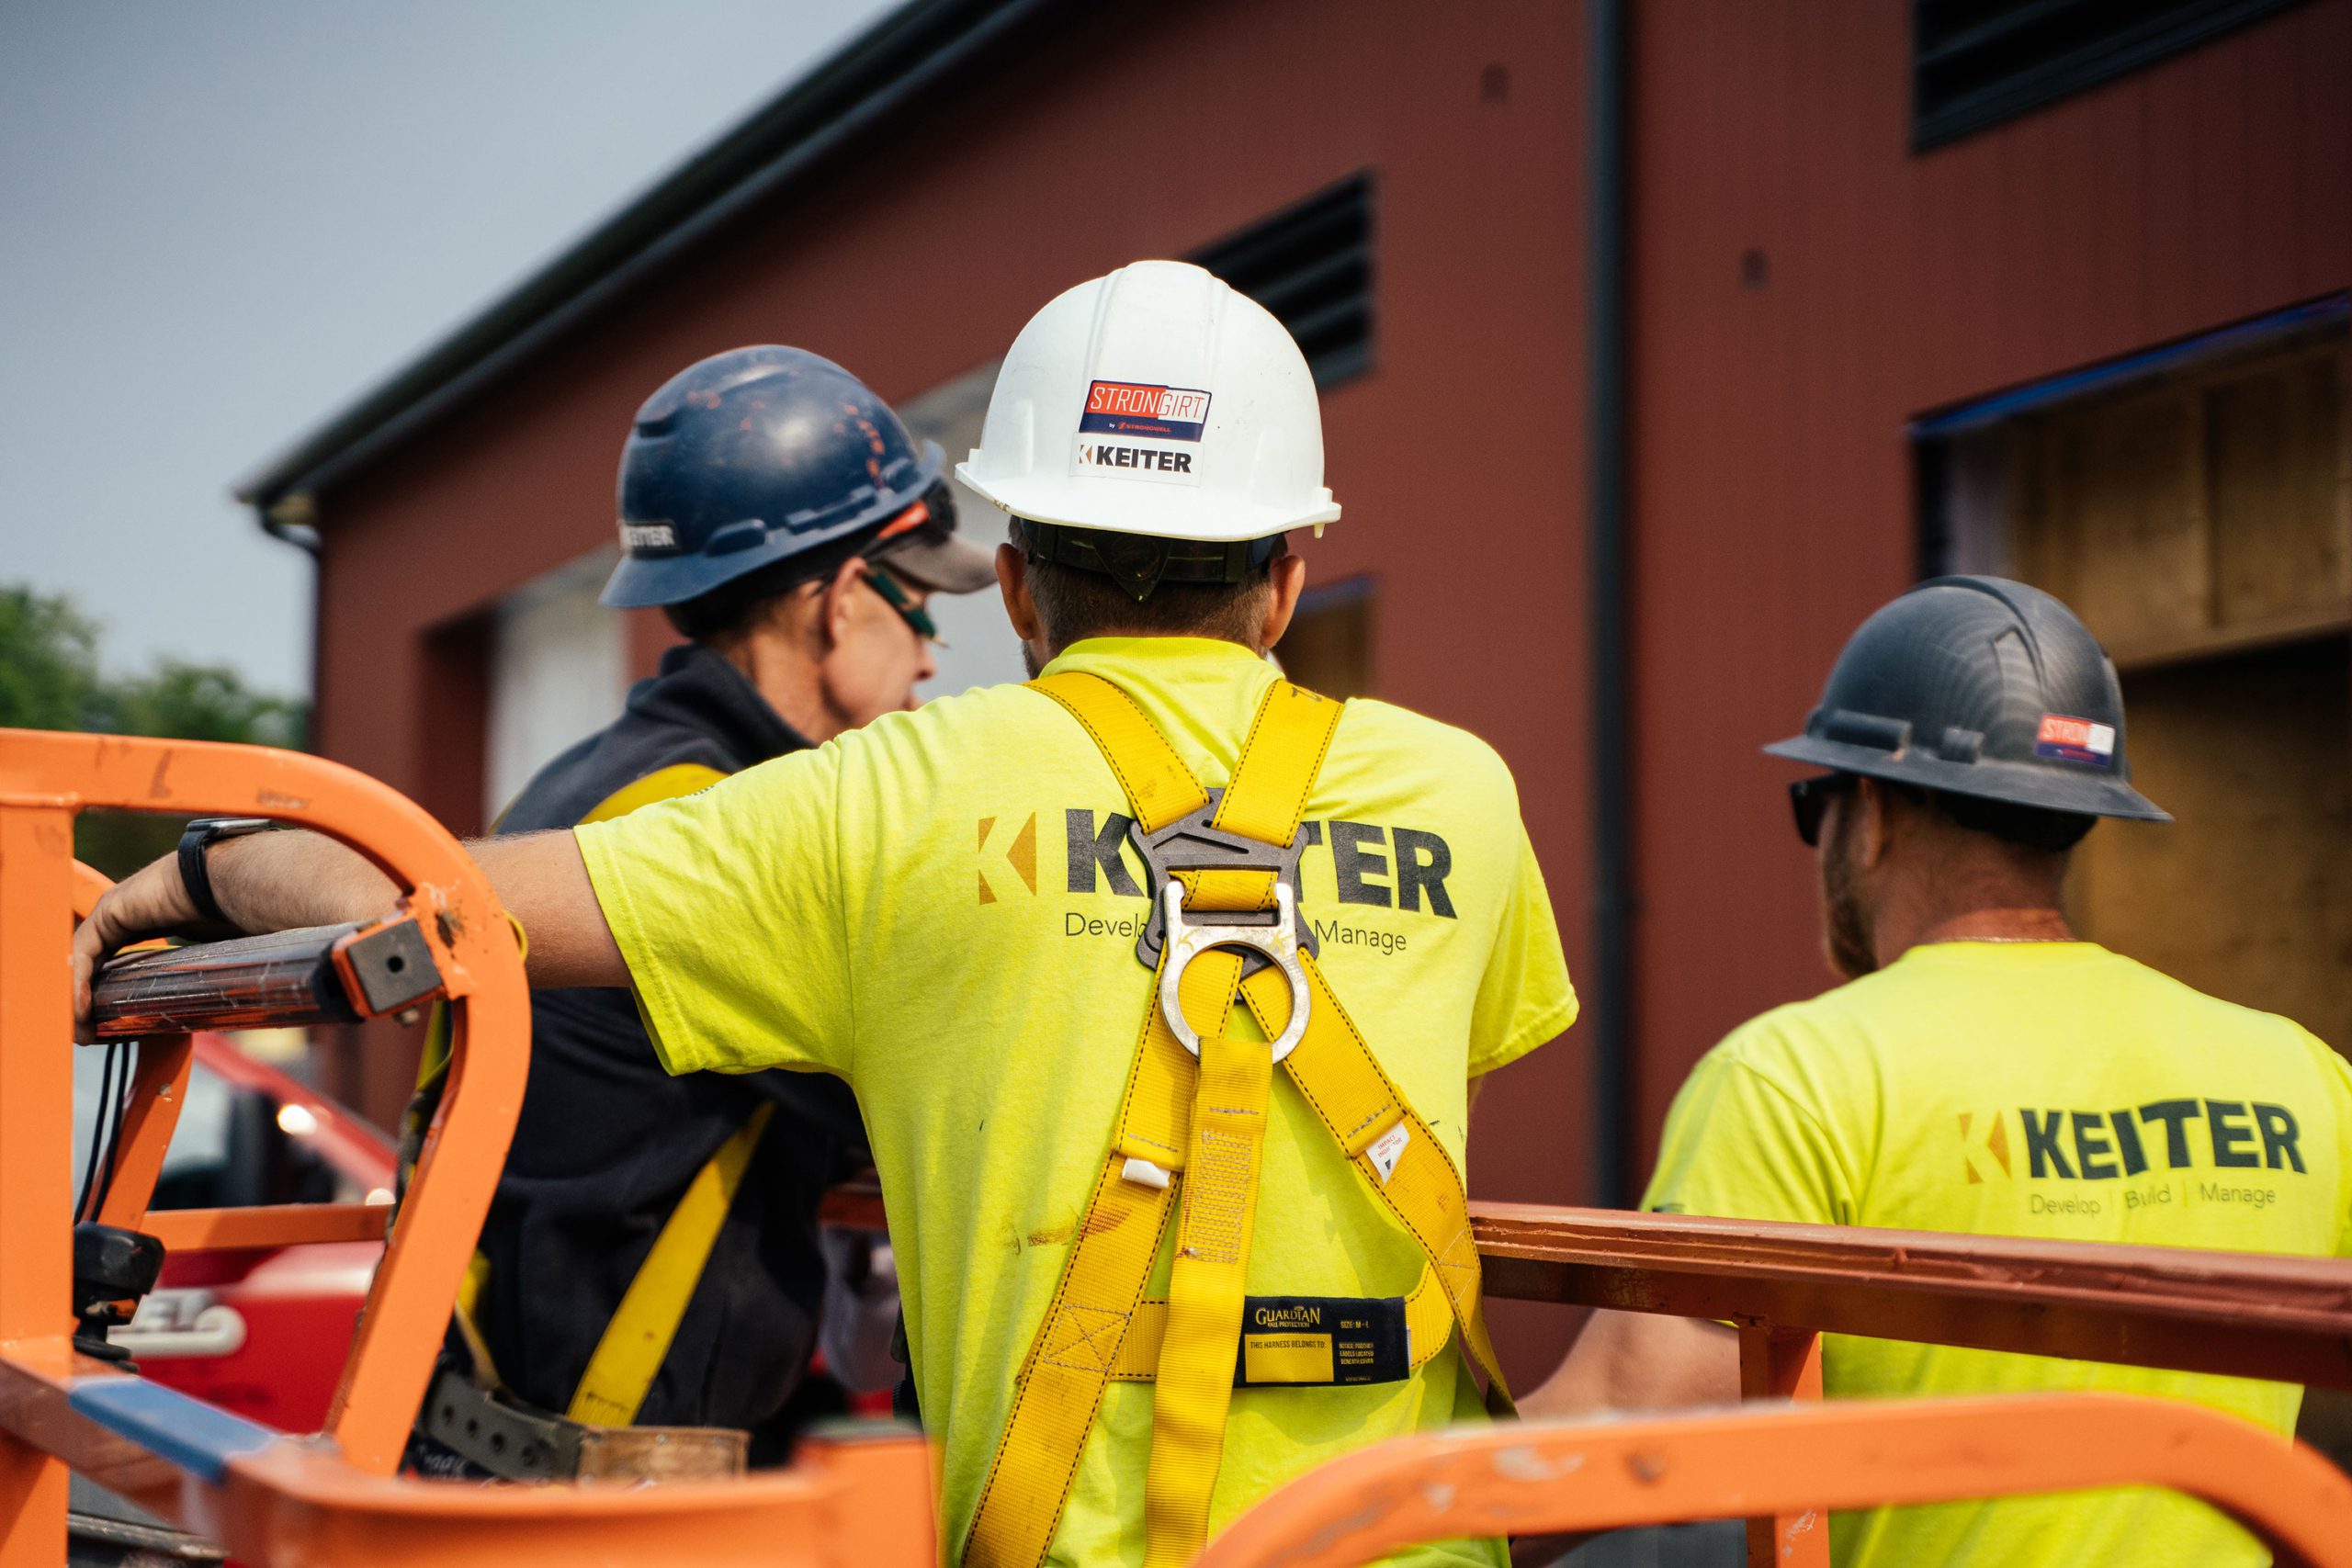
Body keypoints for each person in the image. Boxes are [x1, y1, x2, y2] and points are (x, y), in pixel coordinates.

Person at [76, 261, 1576, 1566]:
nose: (928, 648)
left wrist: (174, 876)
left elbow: (419, 899)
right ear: (1290, 578)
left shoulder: (873, 809)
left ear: (1019, 586)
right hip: (1406, 1535)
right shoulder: (1466, 791)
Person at [1523, 576, 2352, 1567]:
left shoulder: (1798, 1074)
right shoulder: (2302, 1072)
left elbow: (1622, 1428)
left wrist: (1370, 1512)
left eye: (1815, 806)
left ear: (1871, 810)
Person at [393, 344, 997, 1473]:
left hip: (483, 1441)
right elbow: (952, 1097)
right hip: (605, 1487)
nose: (930, 656)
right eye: (920, 606)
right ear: (844, 600)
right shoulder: (730, 840)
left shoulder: (587, 791)